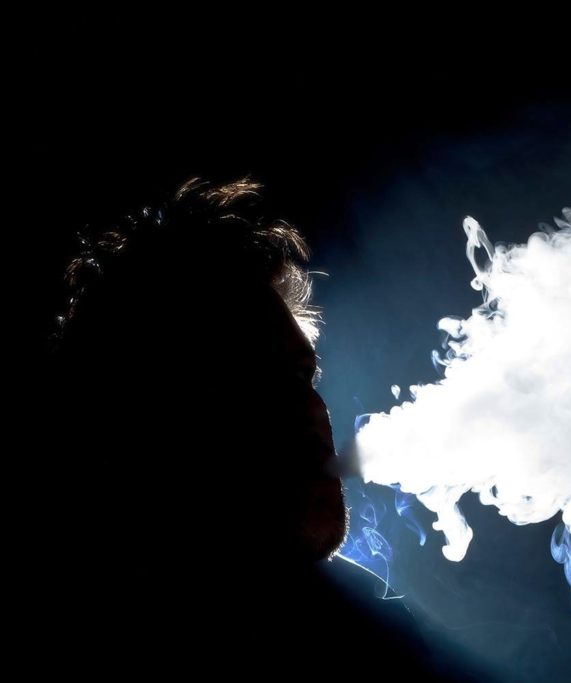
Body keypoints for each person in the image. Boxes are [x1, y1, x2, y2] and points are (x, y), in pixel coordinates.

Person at [44, 178, 464, 676]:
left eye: (302, 376)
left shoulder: (371, 635)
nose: (309, 409)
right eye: (248, 375)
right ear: (138, 418)